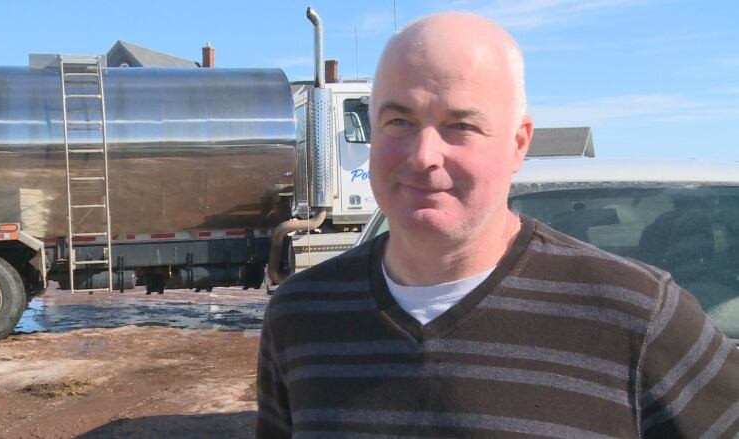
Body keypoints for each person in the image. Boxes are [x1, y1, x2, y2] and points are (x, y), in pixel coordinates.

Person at [256, 12, 739, 438]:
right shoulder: (300, 317)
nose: (424, 156)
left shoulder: (638, 318)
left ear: (518, 143)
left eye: (460, 125)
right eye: (398, 122)